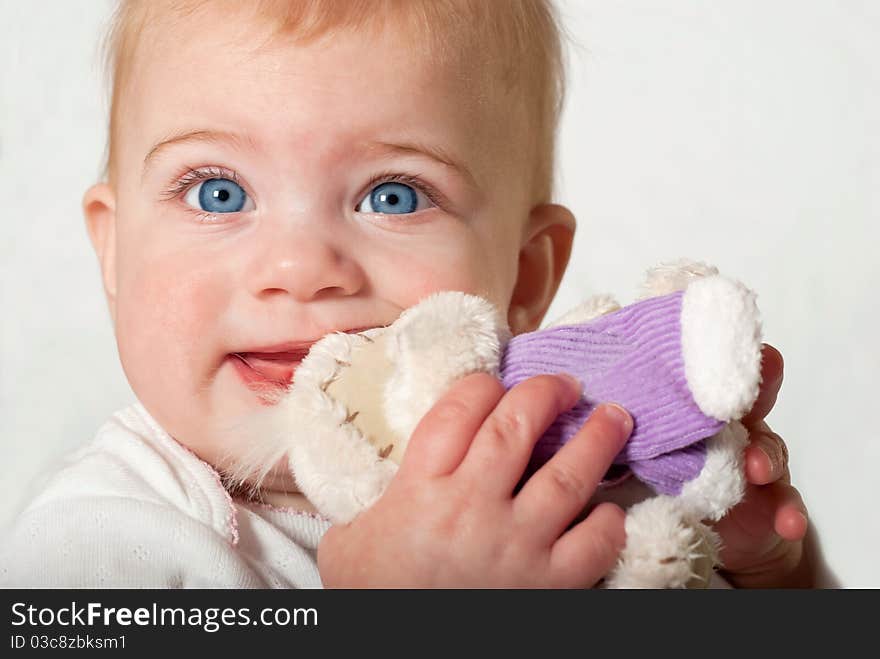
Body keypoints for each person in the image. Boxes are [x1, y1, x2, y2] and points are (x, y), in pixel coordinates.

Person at [0, 0, 817, 588]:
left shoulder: (560, 478)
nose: (300, 266)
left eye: (393, 195)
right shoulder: (102, 540)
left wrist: (770, 574)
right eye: (218, 192)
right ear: (113, 251)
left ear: (527, 277)